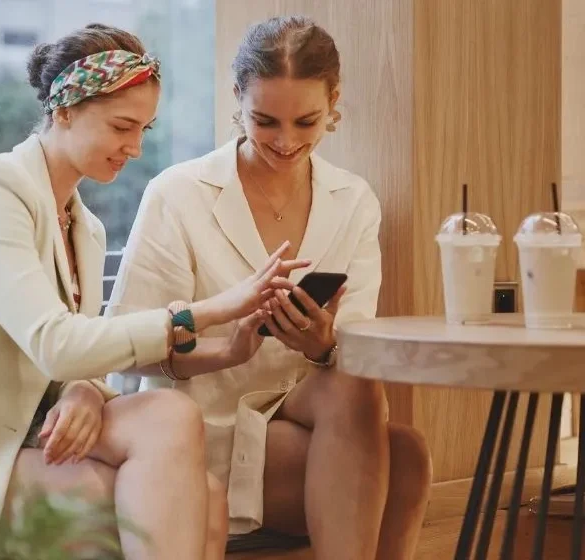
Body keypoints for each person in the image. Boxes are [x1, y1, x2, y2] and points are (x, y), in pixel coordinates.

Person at [0, 23, 308, 560]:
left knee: (189, 451)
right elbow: (52, 341)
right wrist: (206, 312)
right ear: (64, 110)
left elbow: (64, 363)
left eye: (145, 130)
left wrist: (86, 389)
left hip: (22, 433)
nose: (134, 147)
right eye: (121, 127)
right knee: (170, 499)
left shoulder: (86, 226)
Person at [107, 16, 433, 560]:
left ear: (334, 102)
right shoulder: (178, 194)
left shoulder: (353, 199)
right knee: (400, 454)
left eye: (306, 122)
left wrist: (321, 344)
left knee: (393, 433)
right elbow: (127, 348)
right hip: (209, 426)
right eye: (265, 121)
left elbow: (356, 348)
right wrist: (225, 345)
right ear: (236, 98)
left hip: (314, 418)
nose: (286, 142)